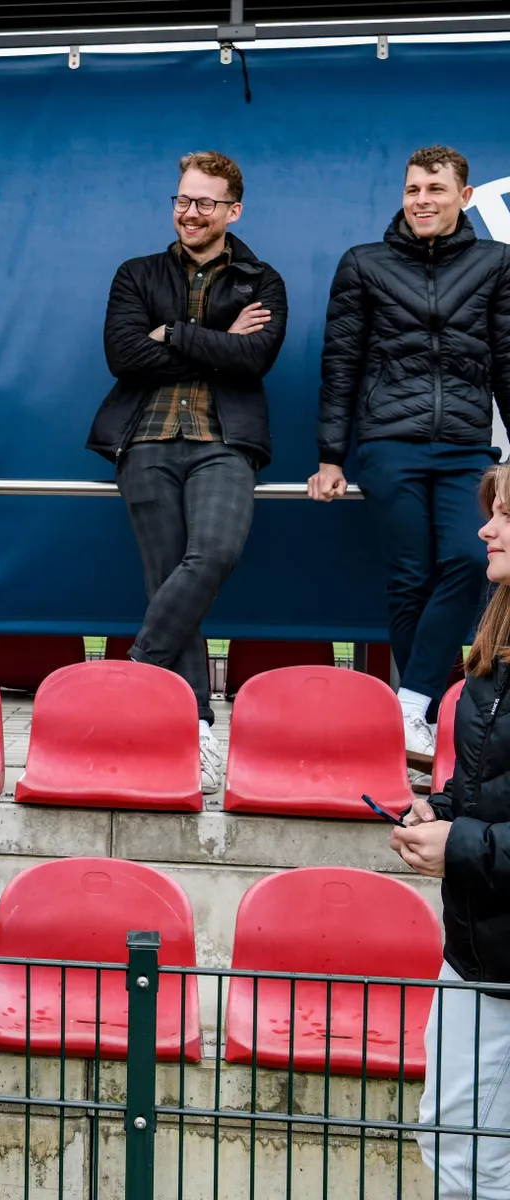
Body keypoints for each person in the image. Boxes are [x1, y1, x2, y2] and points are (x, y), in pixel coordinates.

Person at [87, 150, 288, 792]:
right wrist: (213, 341)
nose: (189, 212)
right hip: (144, 441)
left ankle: (139, 671)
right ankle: (196, 728)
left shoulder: (263, 280)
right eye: (181, 200)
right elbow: (124, 355)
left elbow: (253, 359)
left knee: (213, 555)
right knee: (168, 584)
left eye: (204, 202)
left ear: (233, 209)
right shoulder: (136, 273)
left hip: (225, 442)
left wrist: (171, 333)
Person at [310, 145, 510, 778]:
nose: (422, 200)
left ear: (465, 197)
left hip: (465, 445)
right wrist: (330, 456)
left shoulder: (495, 263)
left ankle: (411, 701)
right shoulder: (363, 264)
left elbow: (506, 359)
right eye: (412, 189)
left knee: (470, 558)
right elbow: (341, 363)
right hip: (389, 444)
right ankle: (414, 723)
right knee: (409, 578)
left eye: (435, 189)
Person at [392, 462, 510, 1199]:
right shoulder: (494, 641)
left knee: (476, 1170)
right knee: (451, 1151)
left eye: (504, 516)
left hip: (500, 976)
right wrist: (443, 812)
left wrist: (459, 847)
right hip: (473, 955)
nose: (485, 529)